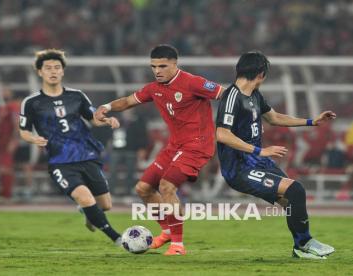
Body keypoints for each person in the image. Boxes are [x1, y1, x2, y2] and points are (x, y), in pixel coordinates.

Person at [95, 44, 223, 255]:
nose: (157, 71)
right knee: (143, 189)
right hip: (175, 145)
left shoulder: (193, 82)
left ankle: (178, 245)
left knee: (166, 186)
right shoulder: (154, 88)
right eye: (154, 66)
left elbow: (226, 94)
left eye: (162, 66)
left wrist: (238, 121)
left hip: (197, 146)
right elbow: (127, 101)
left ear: (175, 64)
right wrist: (106, 107)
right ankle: (167, 233)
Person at [215, 51, 336, 259]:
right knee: (296, 190)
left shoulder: (254, 94)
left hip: (257, 162)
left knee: (291, 201)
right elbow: (222, 134)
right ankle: (304, 244)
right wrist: (260, 150)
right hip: (239, 169)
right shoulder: (231, 97)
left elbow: (274, 117)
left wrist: (311, 122)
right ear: (261, 74)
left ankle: (301, 246)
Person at [19, 49, 122, 245]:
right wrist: (33, 139)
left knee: (105, 205)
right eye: (48, 68)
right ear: (40, 72)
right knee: (84, 197)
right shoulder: (31, 102)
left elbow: (93, 118)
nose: (53, 71)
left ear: (63, 71)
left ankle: (87, 211)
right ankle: (118, 238)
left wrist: (107, 121)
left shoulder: (76, 96)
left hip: (86, 155)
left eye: (57, 67)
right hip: (60, 161)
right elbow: (23, 131)